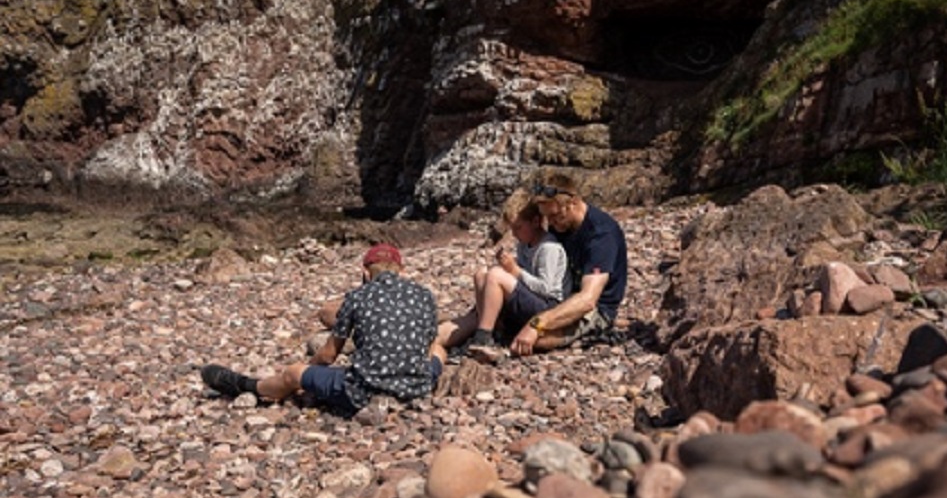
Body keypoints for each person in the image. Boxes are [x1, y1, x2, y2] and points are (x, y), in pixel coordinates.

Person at [201, 243, 444, 417]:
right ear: (402, 272)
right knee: (441, 353)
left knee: (294, 374)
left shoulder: (358, 296)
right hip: (417, 387)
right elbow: (430, 347)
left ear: (365, 273)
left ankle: (248, 386)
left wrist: (307, 373)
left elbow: (328, 355)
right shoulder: (425, 295)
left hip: (363, 392)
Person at [437, 189, 571, 361]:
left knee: (495, 275)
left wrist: (515, 271)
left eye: (518, 228)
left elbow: (547, 289)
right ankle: (490, 329)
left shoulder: (549, 248)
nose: (514, 234)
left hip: (548, 308)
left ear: (536, 222)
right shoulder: (524, 244)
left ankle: (483, 337)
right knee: (481, 274)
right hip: (532, 298)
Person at [508, 172, 628, 356]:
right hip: (560, 296)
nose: (551, 223)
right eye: (547, 217)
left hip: (595, 309)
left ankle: (595, 332)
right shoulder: (560, 226)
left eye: (555, 216)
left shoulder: (601, 235)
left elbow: (588, 300)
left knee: (535, 339)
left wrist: (537, 323)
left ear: (573, 202)